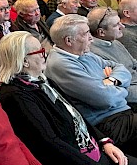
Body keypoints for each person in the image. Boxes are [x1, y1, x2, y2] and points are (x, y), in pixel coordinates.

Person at [0, 31, 137, 165]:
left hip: (91, 151)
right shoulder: (16, 95)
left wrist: (104, 141)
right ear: (24, 61)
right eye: (40, 50)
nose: (45, 54)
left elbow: (76, 115)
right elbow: (50, 143)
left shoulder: (42, 82)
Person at [46, 14, 137, 157]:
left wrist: (111, 81)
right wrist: (120, 86)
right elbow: (106, 99)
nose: (91, 38)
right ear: (69, 40)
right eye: (86, 33)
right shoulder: (61, 64)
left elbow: (120, 67)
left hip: (122, 112)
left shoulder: (83, 53)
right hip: (108, 122)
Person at [87, 7, 137, 106]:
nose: (122, 26)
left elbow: (133, 63)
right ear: (101, 32)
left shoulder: (115, 42)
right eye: (116, 25)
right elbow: (116, 90)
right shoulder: (94, 54)